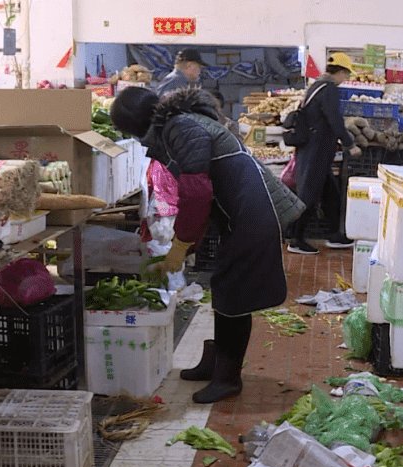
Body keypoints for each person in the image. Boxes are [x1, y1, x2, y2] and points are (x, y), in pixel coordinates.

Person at [111, 86, 299, 403]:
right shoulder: (179, 124)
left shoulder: (180, 128)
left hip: (249, 210)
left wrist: (180, 246)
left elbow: (196, 194)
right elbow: (201, 192)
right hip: (239, 210)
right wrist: (188, 243)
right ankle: (215, 363)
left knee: (234, 295)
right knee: (226, 289)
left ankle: (228, 378)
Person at [287, 52, 362, 255]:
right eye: (346, 75)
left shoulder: (317, 85)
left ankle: (336, 235)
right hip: (315, 150)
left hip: (316, 149)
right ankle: (296, 239)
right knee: (308, 195)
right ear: (340, 72)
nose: (345, 79)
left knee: (331, 194)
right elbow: (334, 120)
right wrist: (350, 143)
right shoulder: (328, 89)